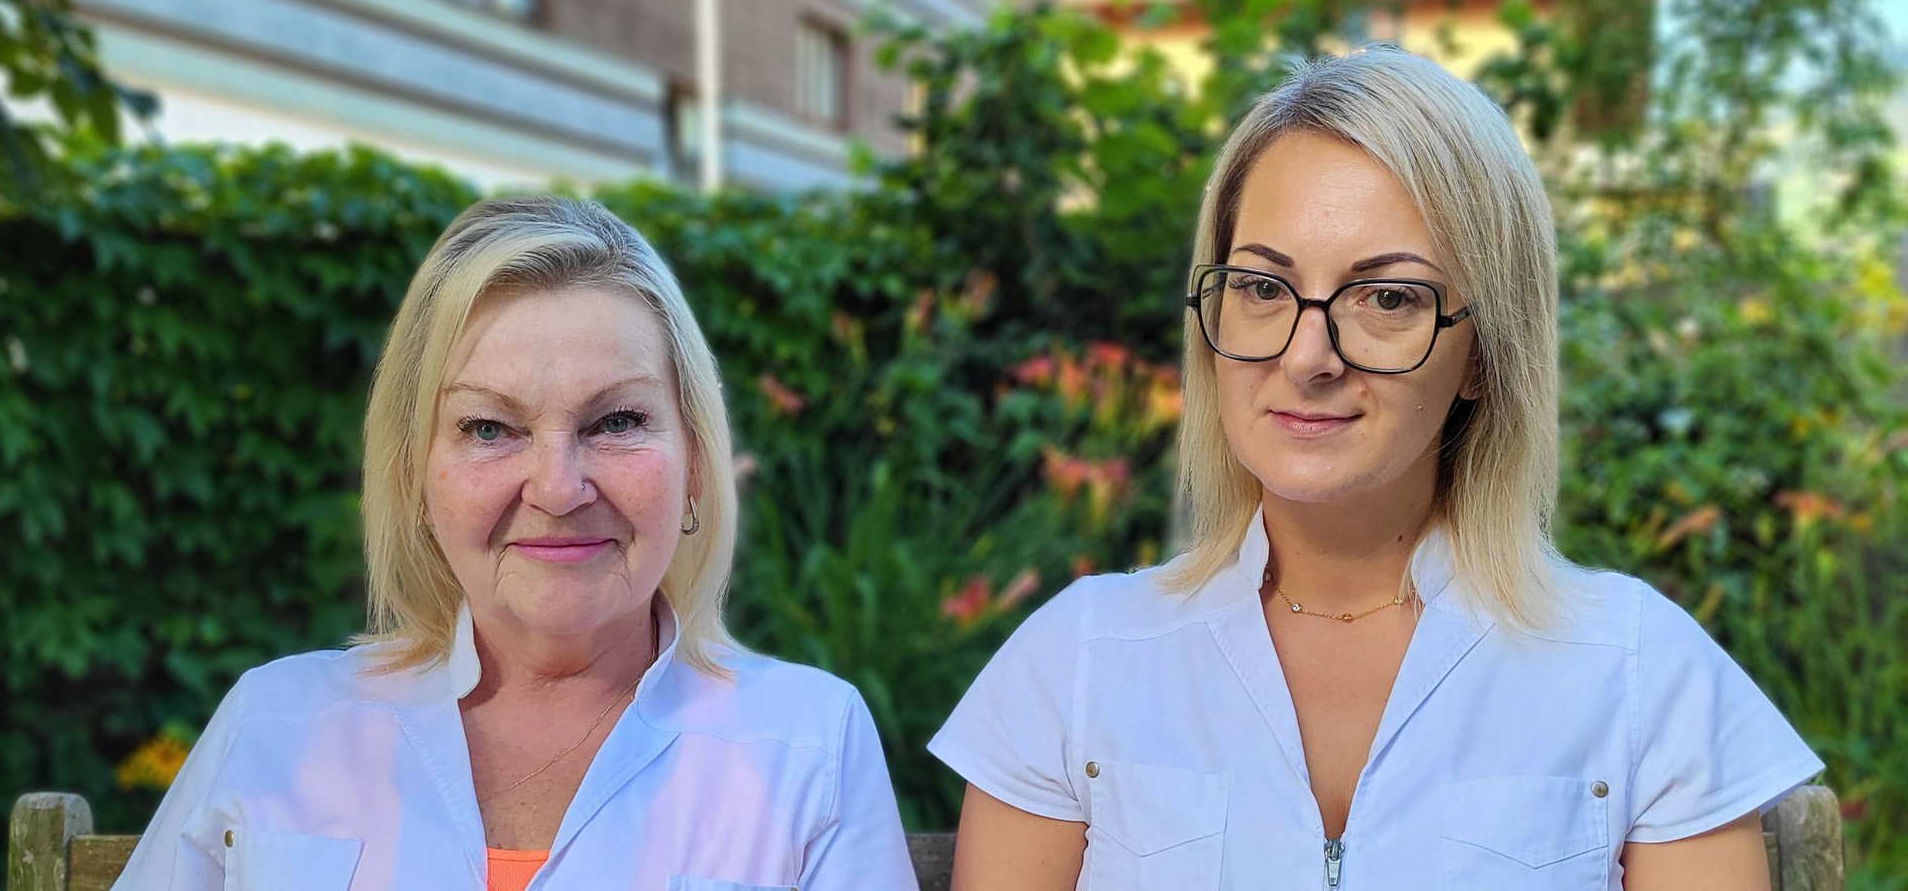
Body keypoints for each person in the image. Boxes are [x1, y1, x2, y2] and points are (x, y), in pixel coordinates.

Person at [929, 46, 1822, 890]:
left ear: (1484, 353)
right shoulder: (1075, 662)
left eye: (1388, 297)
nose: (1308, 356)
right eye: (1262, 287)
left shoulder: (1638, 670)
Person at [117, 196, 918, 891]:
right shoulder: (276, 723)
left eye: (617, 422)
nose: (558, 487)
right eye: (489, 427)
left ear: (697, 464)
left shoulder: (808, 741)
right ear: (414, 476)